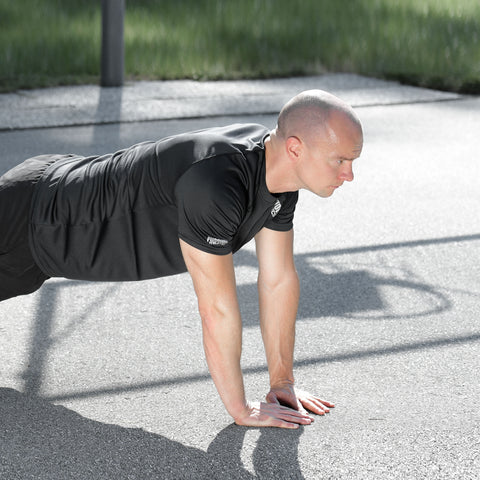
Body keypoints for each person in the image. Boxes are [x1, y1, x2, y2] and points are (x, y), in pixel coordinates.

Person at [0, 89, 363, 429]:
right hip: (32, 219)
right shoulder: (216, 184)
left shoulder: (278, 178)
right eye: (340, 160)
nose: (348, 175)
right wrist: (241, 408)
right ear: (296, 148)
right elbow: (216, 309)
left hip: (49, 219)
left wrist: (282, 382)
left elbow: (277, 280)